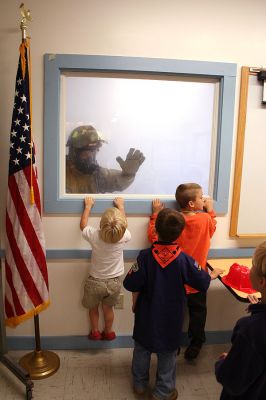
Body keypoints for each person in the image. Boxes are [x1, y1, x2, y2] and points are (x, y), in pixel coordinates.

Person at [124, 208, 222, 400]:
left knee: (142, 349)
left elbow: (129, 283)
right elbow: (202, 283)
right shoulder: (184, 260)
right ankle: (163, 391)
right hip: (171, 317)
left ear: (156, 231)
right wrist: (211, 274)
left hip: (146, 314)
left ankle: (139, 384)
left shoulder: (144, 256)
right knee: (168, 353)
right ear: (181, 233)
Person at [147, 183, 217, 360]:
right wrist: (210, 211)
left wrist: (155, 215)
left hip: (175, 279)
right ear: (192, 204)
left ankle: (172, 344)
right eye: (202, 198)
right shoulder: (205, 220)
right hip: (197, 276)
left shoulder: (173, 221)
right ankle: (196, 343)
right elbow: (212, 228)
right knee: (198, 312)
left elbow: (154, 238)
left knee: (173, 313)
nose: (205, 199)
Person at [215, 241, 266, 400]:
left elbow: (232, 382)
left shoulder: (249, 329)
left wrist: (224, 361)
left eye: (252, 265)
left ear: (262, 282)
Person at [80, 196, 131, 340]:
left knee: (93, 308)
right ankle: (108, 332)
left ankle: (95, 331)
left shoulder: (95, 236)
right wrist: (121, 206)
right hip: (114, 282)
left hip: (95, 282)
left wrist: (88, 206)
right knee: (108, 309)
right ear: (122, 228)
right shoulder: (124, 236)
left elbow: (83, 226)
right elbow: (125, 225)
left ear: (101, 225)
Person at [66, 125, 145, 193]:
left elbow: (117, 182)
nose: (91, 156)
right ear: (74, 152)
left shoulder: (96, 174)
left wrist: (129, 174)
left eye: (94, 151)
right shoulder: (60, 172)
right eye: (87, 152)